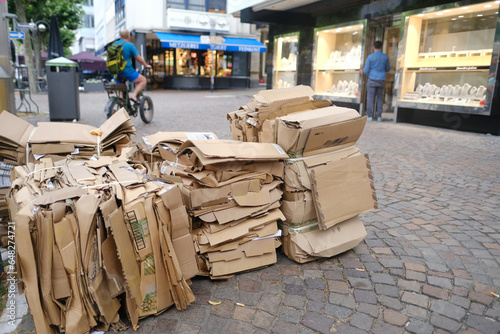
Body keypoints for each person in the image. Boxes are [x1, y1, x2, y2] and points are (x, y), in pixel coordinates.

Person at [114, 30, 151, 102]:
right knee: (143, 80)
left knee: (121, 86)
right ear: (128, 36)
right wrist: (146, 65)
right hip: (127, 71)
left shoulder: (114, 44)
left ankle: (120, 100)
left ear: (120, 36)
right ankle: (134, 96)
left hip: (116, 72)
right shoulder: (129, 45)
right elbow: (138, 58)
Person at [361, 40, 390, 122]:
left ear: (374, 47)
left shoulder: (370, 57)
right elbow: (388, 68)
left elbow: (365, 70)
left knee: (370, 97)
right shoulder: (385, 57)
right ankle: (379, 116)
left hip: (372, 79)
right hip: (381, 79)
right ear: (381, 47)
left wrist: (371, 73)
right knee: (380, 98)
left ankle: (369, 116)